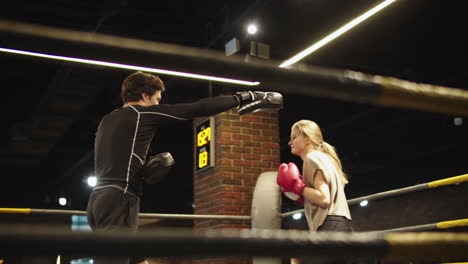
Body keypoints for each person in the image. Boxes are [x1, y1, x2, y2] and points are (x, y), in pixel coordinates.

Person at [86, 71, 282, 264]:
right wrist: (245, 97)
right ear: (144, 96)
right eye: (157, 99)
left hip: (97, 201)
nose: (158, 104)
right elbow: (196, 109)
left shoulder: (108, 120)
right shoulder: (140, 113)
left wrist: (144, 167)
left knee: (137, 260)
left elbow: (118, 158)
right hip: (119, 200)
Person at [277, 120, 352, 232]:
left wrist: (297, 186)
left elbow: (323, 199)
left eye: (294, 137)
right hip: (339, 222)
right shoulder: (325, 158)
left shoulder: (312, 158)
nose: (289, 142)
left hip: (329, 225)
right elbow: (327, 198)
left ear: (308, 139)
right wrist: (302, 197)